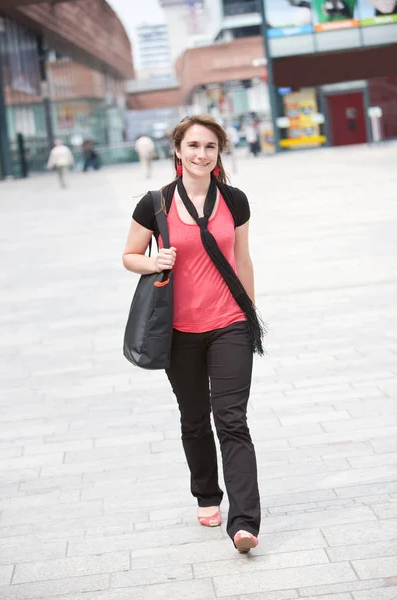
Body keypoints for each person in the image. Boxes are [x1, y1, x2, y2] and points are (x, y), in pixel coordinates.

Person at [122, 114, 265, 553]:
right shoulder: (155, 204)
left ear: (219, 152)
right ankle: (206, 493)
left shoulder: (234, 200)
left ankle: (243, 523)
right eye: (194, 146)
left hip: (229, 324)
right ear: (178, 151)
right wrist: (155, 261)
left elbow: (242, 259)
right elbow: (129, 255)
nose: (201, 154)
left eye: (210, 147)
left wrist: (249, 315)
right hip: (178, 331)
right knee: (194, 418)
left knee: (232, 421)